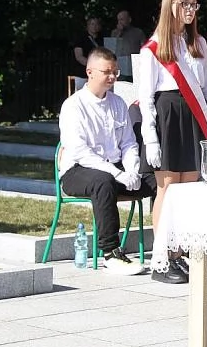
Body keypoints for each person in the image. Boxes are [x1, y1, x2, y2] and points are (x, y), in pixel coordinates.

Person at [138, 0, 207, 284]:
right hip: (168, 116)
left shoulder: (197, 43)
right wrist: (151, 139)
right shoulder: (154, 48)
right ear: (169, 5)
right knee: (168, 189)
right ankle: (160, 259)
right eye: (184, 3)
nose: (190, 10)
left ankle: (177, 253)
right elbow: (145, 98)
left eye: (194, 4)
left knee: (189, 187)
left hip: (194, 117)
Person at [59, 47, 157, 276]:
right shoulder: (74, 106)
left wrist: (132, 170)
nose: (112, 77)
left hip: (116, 168)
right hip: (79, 170)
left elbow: (129, 144)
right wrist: (116, 173)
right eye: (107, 72)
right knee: (103, 181)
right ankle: (111, 252)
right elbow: (80, 151)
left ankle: (168, 244)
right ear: (90, 71)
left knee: (157, 179)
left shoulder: (118, 103)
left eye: (115, 72)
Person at [111, 10, 147, 74]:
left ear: (129, 20)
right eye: (118, 20)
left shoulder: (138, 32)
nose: (120, 22)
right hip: (120, 65)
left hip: (135, 64)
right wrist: (119, 32)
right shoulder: (114, 32)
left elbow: (144, 48)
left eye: (122, 20)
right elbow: (112, 47)